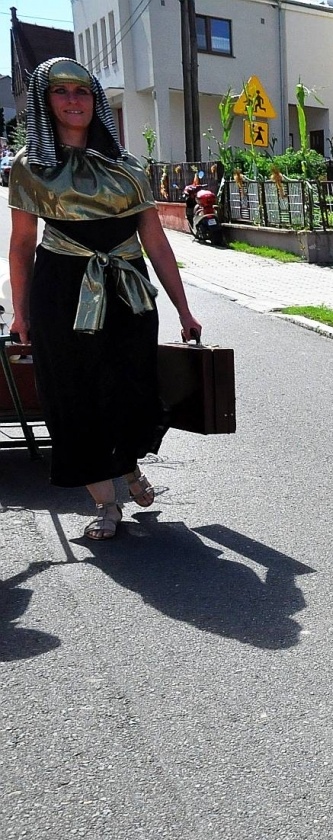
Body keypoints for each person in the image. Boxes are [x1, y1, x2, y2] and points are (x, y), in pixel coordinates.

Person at [6, 57, 202, 541]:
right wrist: (21, 312)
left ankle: (129, 466)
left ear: (95, 101)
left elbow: (156, 242)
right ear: (44, 101)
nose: (74, 100)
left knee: (130, 389)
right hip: (62, 293)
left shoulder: (127, 166)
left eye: (83, 91)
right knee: (74, 395)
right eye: (61, 91)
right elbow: (21, 244)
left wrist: (182, 307)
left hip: (128, 294)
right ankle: (106, 504)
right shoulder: (31, 168)